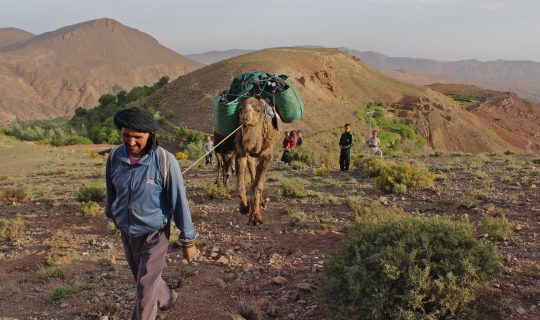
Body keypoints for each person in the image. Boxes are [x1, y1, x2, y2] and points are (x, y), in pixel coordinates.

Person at [105, 106, 197, 320]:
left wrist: (188, 240)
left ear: (151, 135)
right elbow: (111, 190)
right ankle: (167, 298)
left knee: (144, 290)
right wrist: (112, 214)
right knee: (143, 278)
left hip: (155, 234)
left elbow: (179, 202)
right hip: (127, 232)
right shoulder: (114, 157)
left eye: (137, 137)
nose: (131, 142)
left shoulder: (165, 161)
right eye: (126, 136)